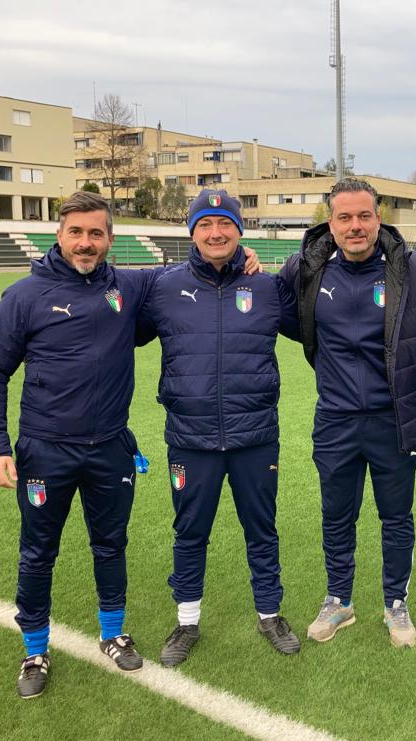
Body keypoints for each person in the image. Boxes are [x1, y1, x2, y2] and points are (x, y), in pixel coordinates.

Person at [0, 191, 151, 699]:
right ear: (59, 235)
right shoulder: (24, 296)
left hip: (110, 448)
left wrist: (246, 258)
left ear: (110, 239)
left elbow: (191, 274)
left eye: (96, 233)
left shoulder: (129, 286)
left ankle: (113, 633)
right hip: (45, 451)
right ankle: (35, 649)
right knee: (38, 552)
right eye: (76, 232)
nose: (85, 243)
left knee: (110, 544)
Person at [138, 190, 302, 664]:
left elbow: (316, 325)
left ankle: (270, 615)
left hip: (255, 436)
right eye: (206, 224)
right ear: (192, 232)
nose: (216, 233)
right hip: (190, 439)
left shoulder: (266, 287)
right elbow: (111, 309)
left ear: (239, 231)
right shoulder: (163, 287)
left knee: (261, 529)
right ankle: (187, 622)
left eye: (225, 223)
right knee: (190, 532)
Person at [278, 178, 416, 649]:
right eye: (344, 217)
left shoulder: (412, 271)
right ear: (331, 224)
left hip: (394, 421)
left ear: (378, 219)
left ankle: (396, 603)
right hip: (336, 421)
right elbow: (271, 305)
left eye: (364, 216)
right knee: (336, 515)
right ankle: (338, 600)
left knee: (396, 517)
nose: (355, 226)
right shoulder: (307, 273)